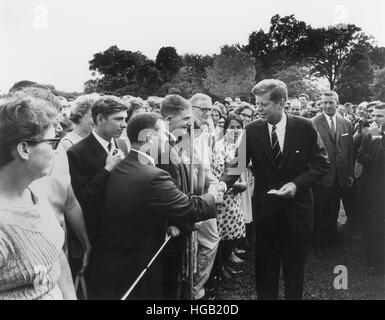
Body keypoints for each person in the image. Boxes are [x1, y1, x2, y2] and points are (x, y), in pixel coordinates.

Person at [87, 112, 219, 300]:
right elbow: (190, 207)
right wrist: (214, 193)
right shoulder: (152, 175)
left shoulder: (123, 165)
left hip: (113, 262)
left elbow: (141, 208)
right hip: (135, 266)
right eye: (164, 135)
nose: (167, 140)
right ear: (150, 137)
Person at [220, 79, 330, 300]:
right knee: (265, 273)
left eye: (263, 104)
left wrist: (295, 185)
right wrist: (222, 184)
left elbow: (321, 164)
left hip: (297, 212)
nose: (257, 109)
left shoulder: (305, 127)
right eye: (256, 103)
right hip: (266, 213)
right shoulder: (252, 130)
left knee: (294, 272)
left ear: (281, 103)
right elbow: (238, 162)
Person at [0, 95, 76, 300]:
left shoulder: (33, 192)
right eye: (52, 142)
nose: (55, 152)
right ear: (24, 149)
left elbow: (55, 255)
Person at [67, 96, 129, 246]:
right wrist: (107, 168)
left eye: (125, 119)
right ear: (100, 119)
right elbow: (82, 199)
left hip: (123, 230)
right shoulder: (77, 152)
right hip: (98, 234)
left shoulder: (121, 144)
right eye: (118, 119)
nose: (124, 125)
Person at [312, 91, 355, 250]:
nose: (328, 105)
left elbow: (349, 150)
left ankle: (332, 237)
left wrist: (350, 173)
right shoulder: (313, 123)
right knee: (320, 210)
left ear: (337, 103)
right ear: (320, 104)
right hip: (322, 176)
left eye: (331, 102)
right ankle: (319, 242)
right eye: (325, 102)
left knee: (334, 208)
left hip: (340, 175)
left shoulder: (346, 123)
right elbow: (310, 152)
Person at [211, 114, 247, 278]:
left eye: (238, 127)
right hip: (223, 197)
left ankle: (226, 261)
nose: (235, 130)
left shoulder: (237, 147)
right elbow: (219, 174)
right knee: (222, 234)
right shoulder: (220, 147)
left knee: (231, 233)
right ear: (225, 129)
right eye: (232, 127)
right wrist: (236, 185)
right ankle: (220, 268)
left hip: (234, 197)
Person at [357, 103, 385, 277]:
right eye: (374, 115)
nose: (375, 118)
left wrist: (376, 145)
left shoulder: (373, 135)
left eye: (380, 115)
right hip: (370, 185)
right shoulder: (369, 134)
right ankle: (372, 258)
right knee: (370, 221)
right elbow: (360, 155)